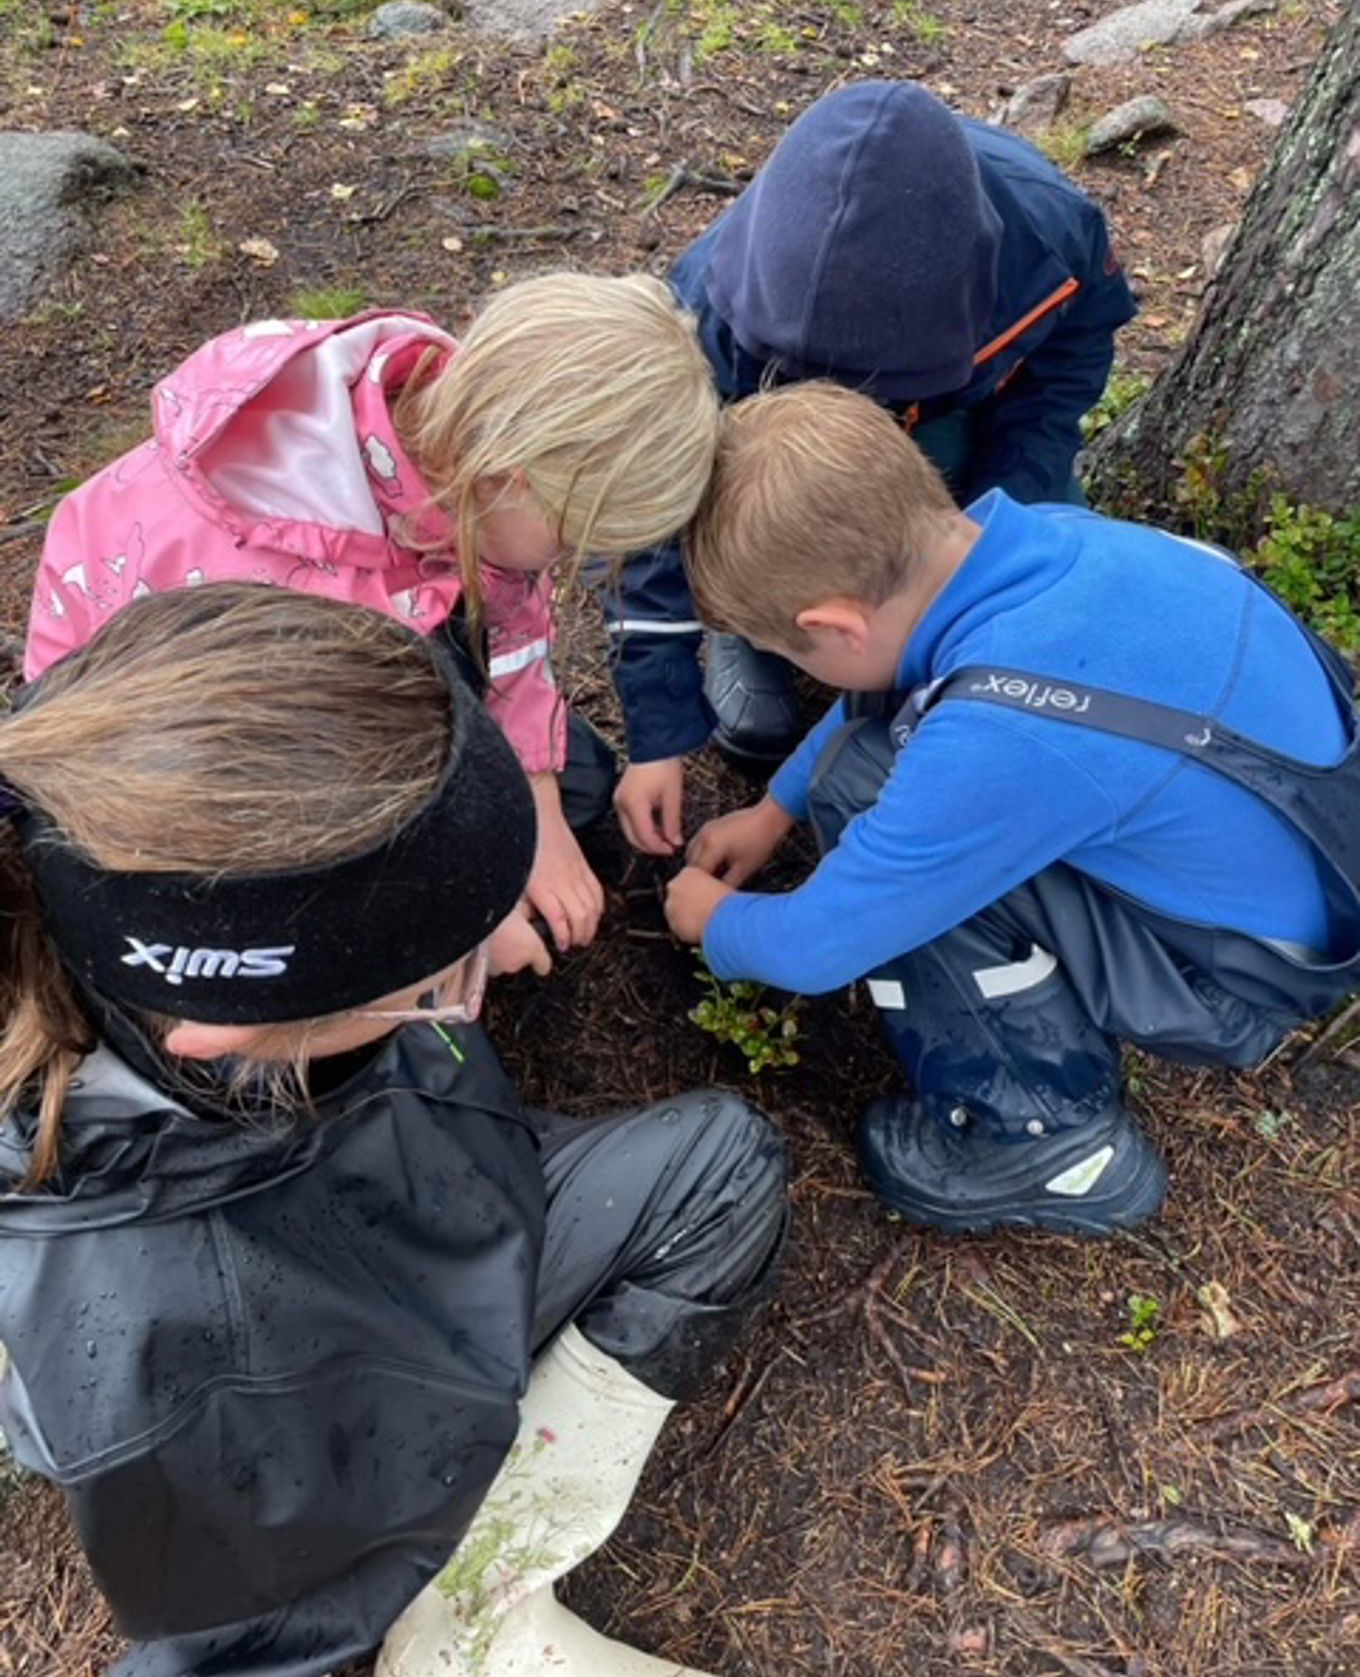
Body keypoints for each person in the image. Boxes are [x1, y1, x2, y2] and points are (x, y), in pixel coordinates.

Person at [0, 584, 787, 1677]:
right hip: (278, 1368)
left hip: (403, 1212)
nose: (488, 975)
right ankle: (449, 1617)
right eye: (443, 980)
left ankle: (485, 1564)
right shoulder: (174, 1359)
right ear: (229, 1029)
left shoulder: (100, 853)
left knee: (723, 1168)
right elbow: (230, 1644)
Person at [664, 383, 1359, 1237]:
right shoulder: (1038, 541)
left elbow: (819, 947)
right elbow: (909, 681)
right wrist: (774, 809)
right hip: (1314, 868)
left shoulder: (1007, 733)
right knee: (866, 766)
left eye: (781, 647)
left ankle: (1050, 1140)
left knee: (868, 791)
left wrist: (716, 921)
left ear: (835, 626)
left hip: (1243, 983)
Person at [25, 273, 720, 955]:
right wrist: (464, 919)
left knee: (573, 787)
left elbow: (514, 619)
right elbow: (298, 806)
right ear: (510, 476)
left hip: (336, 683)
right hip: (186, 775)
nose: (565, 564)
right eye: (571, 540)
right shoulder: (283, 591)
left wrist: (535, 801)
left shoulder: (459, 435)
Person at [608, 80, 1138, 855]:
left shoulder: (1049, 236)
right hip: (770, 441)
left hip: (950, 422)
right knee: (726, 485)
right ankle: (761, 624)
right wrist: (659, 728)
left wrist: (994, 509)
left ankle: (963, 695)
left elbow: (1069, 362)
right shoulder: (708, 308)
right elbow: (650, 505)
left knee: (1034, 557)